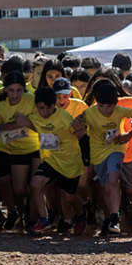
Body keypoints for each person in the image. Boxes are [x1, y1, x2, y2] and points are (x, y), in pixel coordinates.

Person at [23, 84, 88, 234]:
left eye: (48, 108)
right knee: (35, 184)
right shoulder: (35, 117)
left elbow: (79, 133)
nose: (45, 112)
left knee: (69, 198)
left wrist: (80, 129)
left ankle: (81, 214)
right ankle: (44, 219)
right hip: (51, 160)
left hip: (69, 162)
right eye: (41, 108)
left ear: (54, 105)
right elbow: (28, 124)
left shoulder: (64, 118)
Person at [82, 76, 132, 236]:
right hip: (101, 155)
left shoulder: (123, 104)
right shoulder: (91, 111)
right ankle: (111, 219)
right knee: (106, 186)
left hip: (127, 153)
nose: (106, 109)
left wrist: (129, 134)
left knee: (129, 188)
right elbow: (77, 125)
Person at [0, 72, 40, 231]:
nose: (15, 94)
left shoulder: (31, 100)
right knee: (3, 181)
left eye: (19, 90)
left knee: (21, 189)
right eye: (11, 90)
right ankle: (13, 212)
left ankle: (28, 214)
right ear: (5, 89)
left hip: (28, 148)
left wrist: (25, 123)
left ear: (24, 89)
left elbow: (40, 125)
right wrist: (16, 124)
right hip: (4, 147)